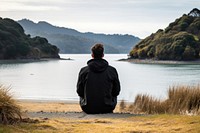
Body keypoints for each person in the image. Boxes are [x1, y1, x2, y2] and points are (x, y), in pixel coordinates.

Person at [76, 44, 120, 114]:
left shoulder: (84, 71)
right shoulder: (112, 70)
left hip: (88, 108)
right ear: (103, 55)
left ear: (92, 55)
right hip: (107, 107)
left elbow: (79, 91)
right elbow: (116, 91)